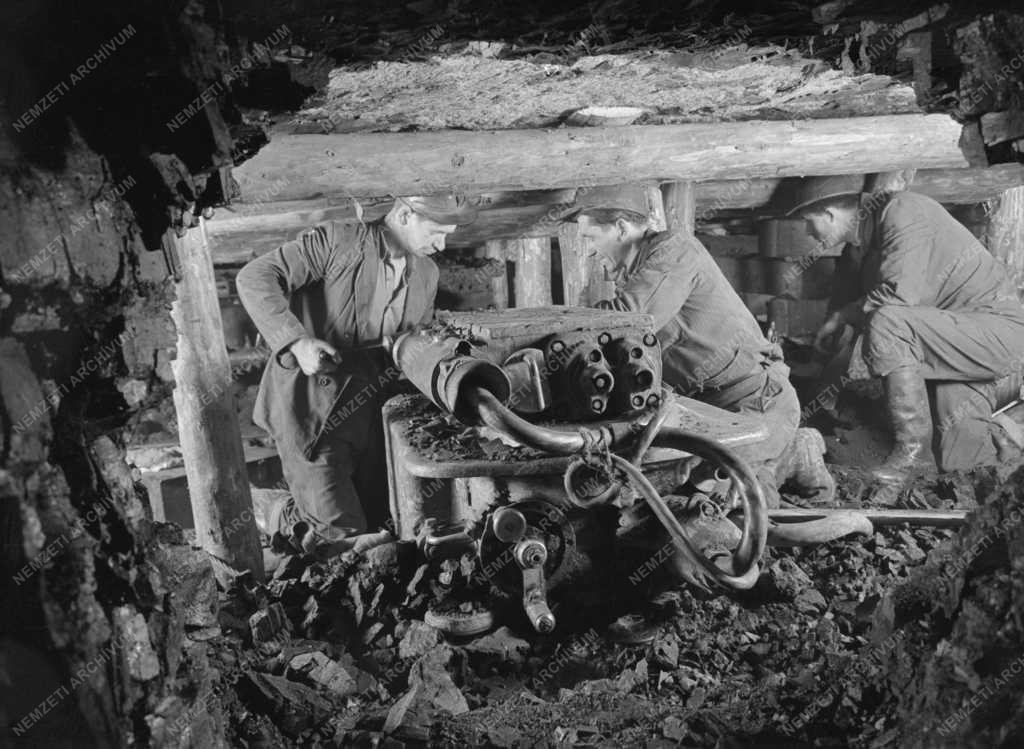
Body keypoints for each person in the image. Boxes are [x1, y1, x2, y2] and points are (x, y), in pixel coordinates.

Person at [559, 184, 834, 506]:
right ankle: (782, 453)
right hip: (705, 411)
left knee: (726, 504)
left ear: (621, 228)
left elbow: (629, 322)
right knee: (655, 486)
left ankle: (793, 451)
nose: (589, 252)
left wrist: (558, 326)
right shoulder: (638, 276)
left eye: (591, 238)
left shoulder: (676, 250)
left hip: (755, 402)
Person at [236, 193, 478, 555]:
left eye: (447, 236)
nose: (441, 245)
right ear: (404, 214)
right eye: (436, 232)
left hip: (371, 411)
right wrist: (297, 343)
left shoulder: (427, 273)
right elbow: (255, 277)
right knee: (341, 535)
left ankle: (301, 512)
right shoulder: (338, 241)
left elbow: (416, 341)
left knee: (384, 521)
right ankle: (277, 512)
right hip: (311, 409)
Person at [797, 175, 1024, 481]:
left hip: (996, 333)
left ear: (830, 215)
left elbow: (896, 302)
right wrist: (839, 325)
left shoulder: (902, 210)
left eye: (808, 222)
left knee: (888, 320)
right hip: (954, 346)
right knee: (961, 461)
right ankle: (1004, 462)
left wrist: (846, 315)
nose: (808, 232)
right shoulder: (864, 248)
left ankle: (913, 454)